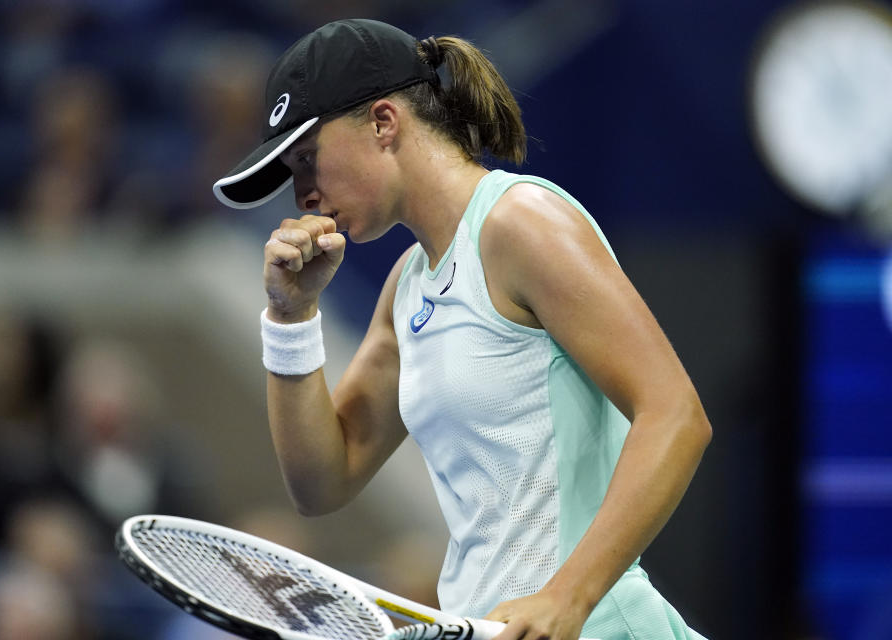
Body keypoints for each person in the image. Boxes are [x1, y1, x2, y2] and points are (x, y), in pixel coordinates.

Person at [213, 19, 712, 640]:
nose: (303, 195)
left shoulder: (522, 223)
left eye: (308, 159)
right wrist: (291, 317)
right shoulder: (408, 284)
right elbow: (321, 482)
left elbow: (676, 414)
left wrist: (567, 598)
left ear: (384, 122)